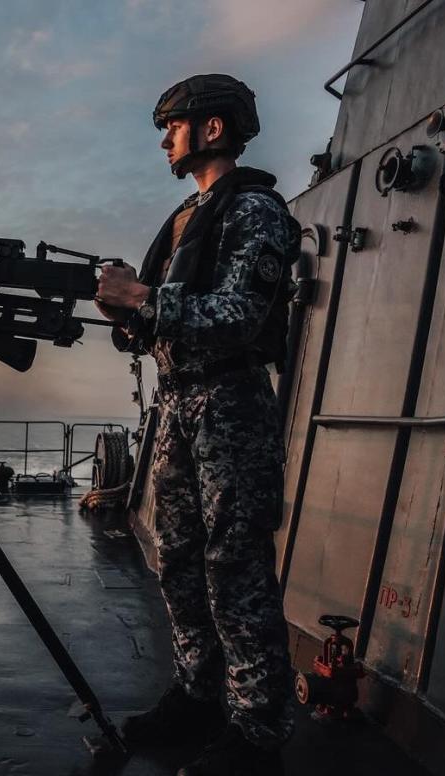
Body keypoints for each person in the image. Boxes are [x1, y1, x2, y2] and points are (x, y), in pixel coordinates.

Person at [94, 74, 298, 776]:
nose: (163, 138)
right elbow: (162, 320)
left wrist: (145, 297)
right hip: (179, 404)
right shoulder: (187, 218)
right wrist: (130, 315)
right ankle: (199, 694)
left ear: (213, 129)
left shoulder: (258, 211)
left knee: (235, 564)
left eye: (172, 125)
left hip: (232, 403)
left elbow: (240, 316)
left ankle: (257, 730)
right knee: (178, 558)